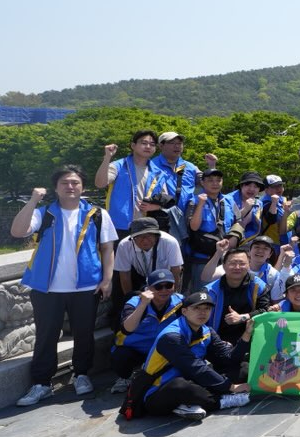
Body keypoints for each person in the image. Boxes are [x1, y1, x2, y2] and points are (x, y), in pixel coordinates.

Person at [13, 166, 117, 406]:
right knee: (46, 336)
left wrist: (107, 279)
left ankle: (81, 375)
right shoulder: (44, 213)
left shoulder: (97, 214)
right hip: (47, 287)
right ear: (56, 188)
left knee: (84, 334)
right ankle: (42, 383)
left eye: (75, 182)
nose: (70, 186)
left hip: (86, 286)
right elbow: (17, 231)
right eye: (64, 183)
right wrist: (33, 200)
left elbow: (107, 248)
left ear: (83, 187)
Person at [135, 291, 252, 420]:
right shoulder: (171, 337)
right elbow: (195, 368)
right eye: (197, 308)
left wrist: (246, 335)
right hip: (158, 393)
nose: (203, 312)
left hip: (191, 379)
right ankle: (220, 401)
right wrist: (231, 387)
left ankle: (190, 403)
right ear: (184, 311)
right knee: (180, 386)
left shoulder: (207, 331)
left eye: (207, 308)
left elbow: (228, 359)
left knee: (243, 369)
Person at [111, 270, 184, 395]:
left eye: (168, 285)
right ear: (148, 288)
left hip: (162, 349)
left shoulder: (180, 302)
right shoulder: (135, 302)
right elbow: (127, 329)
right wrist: (143, 304)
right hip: (136, 348)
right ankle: (125, 378)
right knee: (120, 356)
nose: (164, 290)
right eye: (158, 286)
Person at [110, 216, 183, 325]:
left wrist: (172, 293)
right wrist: (131, 298)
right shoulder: (124, 245)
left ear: (156, 235)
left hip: (165, 278)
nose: (144, 240)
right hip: (139, 275)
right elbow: (124, 275)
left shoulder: (170, 242)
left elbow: (176, 270)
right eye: (139, 237)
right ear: (133, 238)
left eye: (149, 236)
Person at [202, 247, 271, 357]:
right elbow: (201, 321)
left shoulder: (259, 287)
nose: (237, 267)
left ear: (249, 265)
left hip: (250, 341)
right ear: (224, 266)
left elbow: (266, 311)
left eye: (242, 263)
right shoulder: (210, 291)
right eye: (233, 263)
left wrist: (243, 317)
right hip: (216, 342)